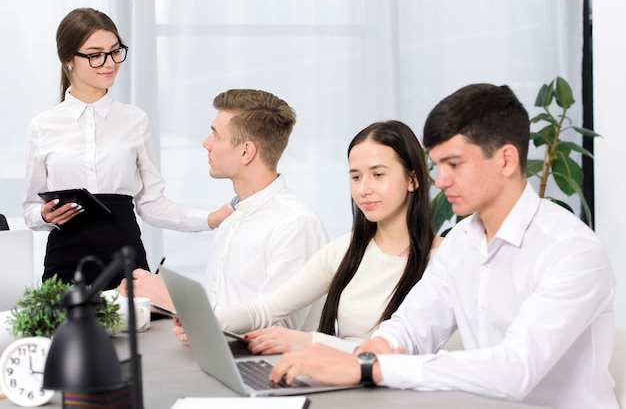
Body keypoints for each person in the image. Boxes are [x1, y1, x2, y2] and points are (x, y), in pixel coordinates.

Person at [269, 84, 618, 409]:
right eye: (436, 165)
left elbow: (515, 369)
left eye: (454, 164)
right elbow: (409, 327)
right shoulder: (461, 245)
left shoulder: (572, 251)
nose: (439, 180)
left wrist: (369, 370)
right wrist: (375, 351)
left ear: (507, 160)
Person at [173, 120, 441, 354]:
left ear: (413, 180)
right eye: (356, 177)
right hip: (343, 385)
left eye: (378, 175)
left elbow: (404, 356)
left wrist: (310, 342)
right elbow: (266, 309)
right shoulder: (345, 251)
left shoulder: (443, 260)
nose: (364, 189)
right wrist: (204, 321)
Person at [23, 8, 232, 290]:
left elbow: (151, 204)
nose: (109, 63)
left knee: (139, 333)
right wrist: (44, 216)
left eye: (115, 51)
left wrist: (210, 218)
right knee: (64, 332)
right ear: (69, 60)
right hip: (65, 263)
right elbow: (31, 210)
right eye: (95, 54)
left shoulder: (135, 120)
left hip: (125, 262)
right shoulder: (42, 126)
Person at [121, 89, 329, 330]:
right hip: (223, 359)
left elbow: (276, 333)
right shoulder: (233, 220)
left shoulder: (295, 224)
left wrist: (173, 299)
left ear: (246, 152)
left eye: (216, 135)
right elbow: (222, 309)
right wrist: (154, 299)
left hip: (270, 365)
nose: (206, 143)